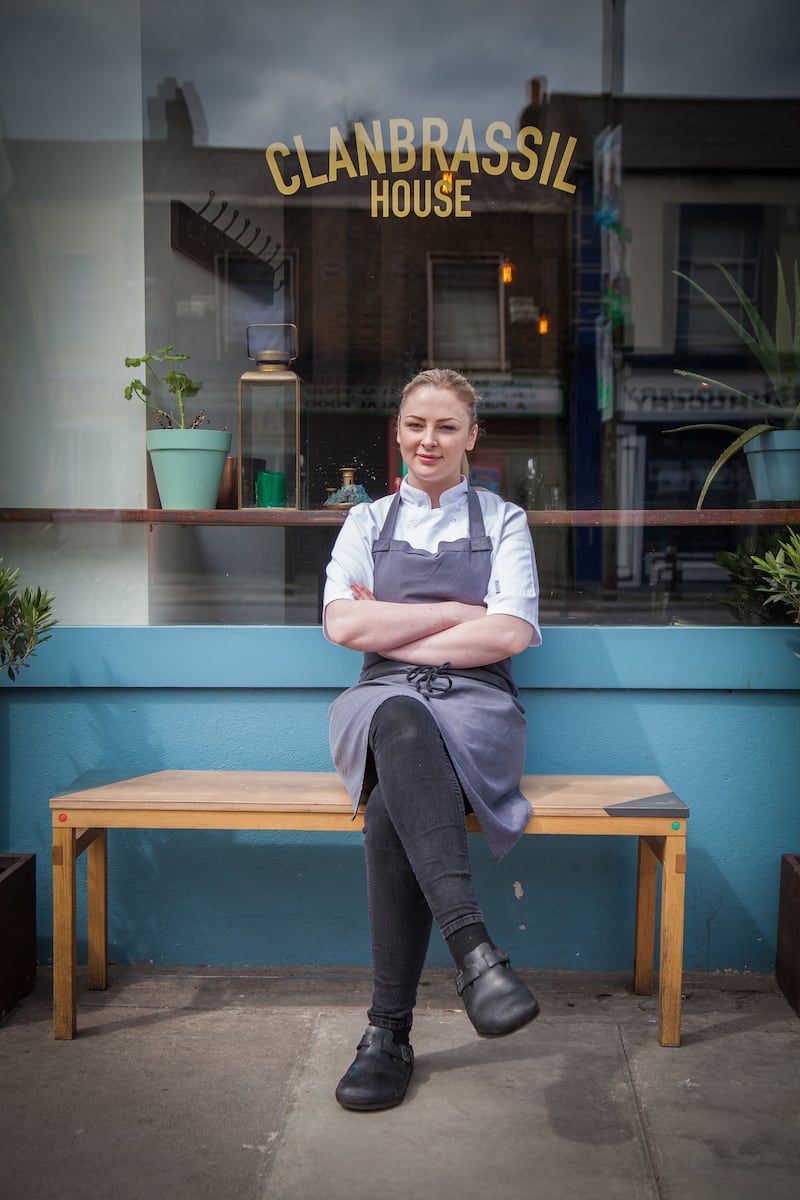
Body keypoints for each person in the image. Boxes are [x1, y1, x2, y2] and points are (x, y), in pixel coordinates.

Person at [322, 367, 542, 1111]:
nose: (429, 439)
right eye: (416, 424)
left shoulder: (506, 521)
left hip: (478, 709)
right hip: (382, 704)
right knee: (399, 716)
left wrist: (392, 629)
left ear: (471, 437)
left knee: (393, 801)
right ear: (398, 431)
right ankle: (476, 956)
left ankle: (387, 1034)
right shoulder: (365, 521)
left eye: (447, 426)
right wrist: (457, 612)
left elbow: (509, 634)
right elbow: (342, 624)